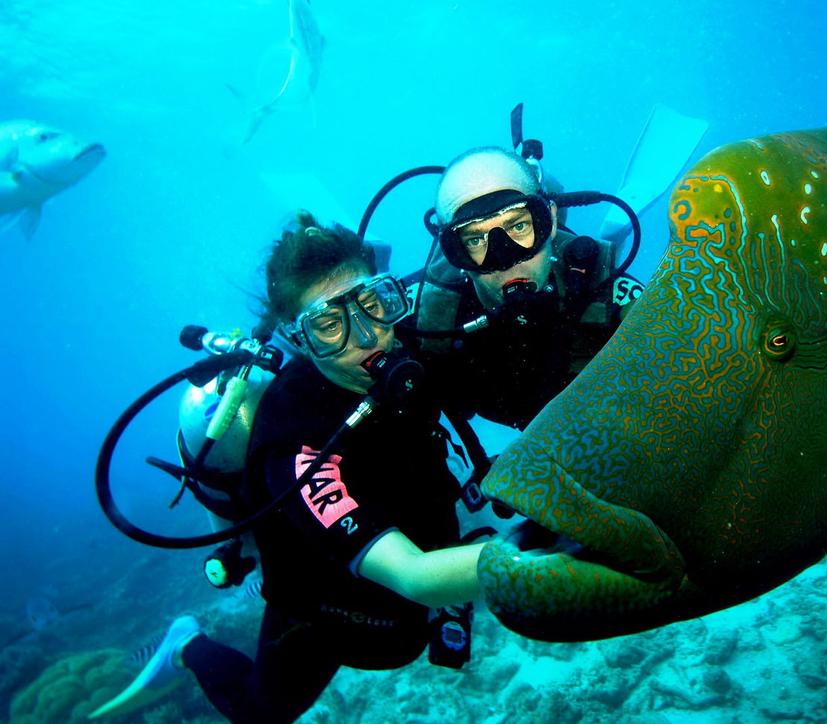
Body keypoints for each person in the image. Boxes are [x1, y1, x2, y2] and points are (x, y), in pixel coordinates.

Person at [93, 212, 484, 723]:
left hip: (411, 558)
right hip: (319, 600)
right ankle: (187, 646)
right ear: (299, 339)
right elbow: (415, 575)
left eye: (372, 303)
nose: (368, 336)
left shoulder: (412, 346)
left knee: (402, 639)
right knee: (263, 714)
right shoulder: (293, 444)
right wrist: (533, 563)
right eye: (329, 325)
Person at [408, 146, 644, 431]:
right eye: (475, 240)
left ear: (550, 221)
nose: (505, 258)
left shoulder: (609, 294)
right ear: (454, 253)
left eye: (518, 226)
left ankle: (609, 232)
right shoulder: (428, 313)